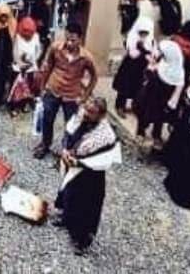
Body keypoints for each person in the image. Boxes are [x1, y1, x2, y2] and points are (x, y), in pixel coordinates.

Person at [55, 97, 121, 255]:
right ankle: (66, 219)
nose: (86, 113)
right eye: (87, 109)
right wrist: (65, 149)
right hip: (73, 165)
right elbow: (68, 133)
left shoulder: (106, 136)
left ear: (101, 115)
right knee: (68, 194)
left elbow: (102, 159)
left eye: (91, 112)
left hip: (90, 176)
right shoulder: (81, 117)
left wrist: (78, 162)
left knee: (86, 207)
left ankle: (81, 240)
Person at [33, 23, 97, 159]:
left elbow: (94, 77)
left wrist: (85, 96)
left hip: (72, 96)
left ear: (80, 39)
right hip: (53, 90)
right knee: (47, 119)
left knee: (70, 125)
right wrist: (42, 88)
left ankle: (66, 150)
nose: (69, 43)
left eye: (73, 40)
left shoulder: (86, 58)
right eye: (67, 39)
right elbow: (47, 67)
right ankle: (45, 144)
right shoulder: (55, 48)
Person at [112, 15, 155, 115]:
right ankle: (119, 106)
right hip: (130, 67)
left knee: (136, 88)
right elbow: (133, 53)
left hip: (140, 68)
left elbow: (152, 52)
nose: (143, 35)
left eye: (146, 33)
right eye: (141, 33)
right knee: (124, 87)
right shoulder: (132, 37)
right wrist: (143, 52)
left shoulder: (150, 40)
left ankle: (132, 106)